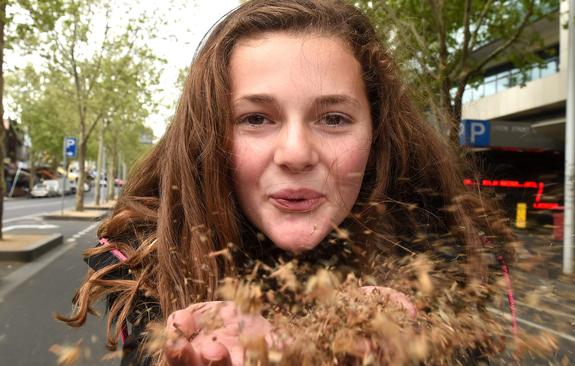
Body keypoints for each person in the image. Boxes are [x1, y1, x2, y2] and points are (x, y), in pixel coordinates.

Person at [59, 0, 516, 365]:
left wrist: (428, 348)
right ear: (209, 138)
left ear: (377, 136)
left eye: (334, 118)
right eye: (256, 118)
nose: (296, 153)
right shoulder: (149, 259)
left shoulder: (444, 260)